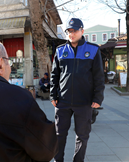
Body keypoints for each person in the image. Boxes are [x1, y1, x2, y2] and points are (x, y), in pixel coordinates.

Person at [50, 18, 105, 162]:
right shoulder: (60, 50)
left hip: (84, 102)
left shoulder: (93, 50)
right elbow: (54, 75)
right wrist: (52, 95)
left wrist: (97, 98)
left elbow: (99, 76)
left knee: (82, 136)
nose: (71, 34)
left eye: (74, 30)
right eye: (69, 31)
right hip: (63, 101)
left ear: (82, 31)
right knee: (59, 134)